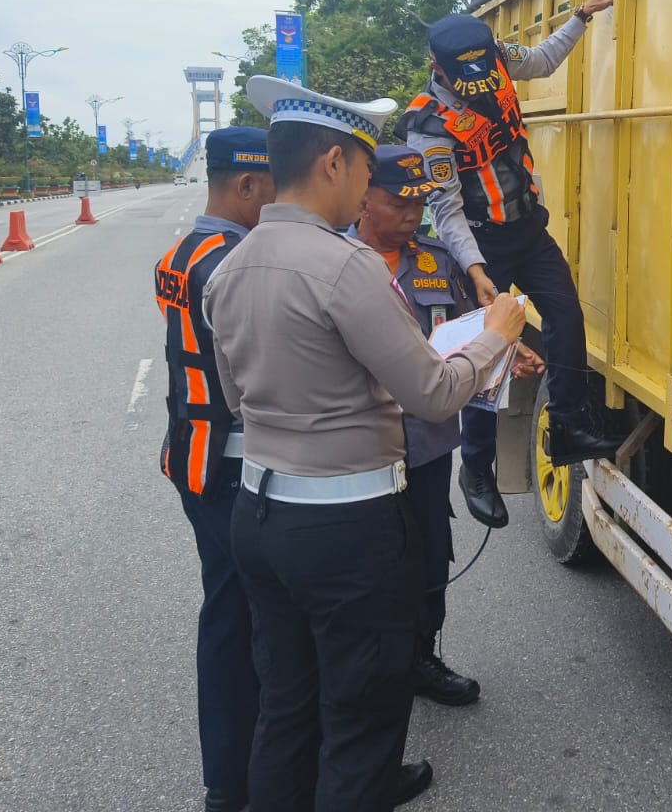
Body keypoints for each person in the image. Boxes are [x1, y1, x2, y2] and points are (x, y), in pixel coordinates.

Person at [204, 76, 527, 812]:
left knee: (287, 707)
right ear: (332, 164)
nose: (370, 192)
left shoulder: (232, 266)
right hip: (344, 532)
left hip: (259, 516)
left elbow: (235, 400)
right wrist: (497, 336)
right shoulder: (344, 267)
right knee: (360, 725)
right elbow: (437, 394)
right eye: (363, 166)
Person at [398, 0, 625, 470]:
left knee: (567, 317)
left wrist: (581, 16)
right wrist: (477, 271)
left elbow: (542, 60)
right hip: (481, 244)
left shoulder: (495, 58)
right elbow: (447, 208)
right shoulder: (428, 127)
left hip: (528, 230)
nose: (477, 85)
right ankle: (477, 468)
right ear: (439, 68)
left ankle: (568, 425)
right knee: (489, 354)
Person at [349, 144, 542, 706]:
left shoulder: (437, 261)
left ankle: (421, 658)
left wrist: (509, 354)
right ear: (363, 199)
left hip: (428, 445)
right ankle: (368, 668)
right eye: (397, 204)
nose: (411, 217)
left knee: (431, 555)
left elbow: (469, 332)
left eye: (419, 205)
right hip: (363, 450)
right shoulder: (335, 265)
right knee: (367, 566)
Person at [153, 126, 275, 812]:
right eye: (272, 192)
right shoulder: (230, 264)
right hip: (228, 466)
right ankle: (236, 781)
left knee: (231, 612)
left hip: (192, 458)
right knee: (245, 620)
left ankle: (238, 773)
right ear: (247, 185)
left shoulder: (183, 252)